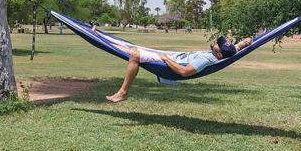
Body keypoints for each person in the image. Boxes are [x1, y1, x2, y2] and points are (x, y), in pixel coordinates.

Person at [105, 35, 253, 103]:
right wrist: (244, 43)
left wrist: (166, 59)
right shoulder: (222, 54)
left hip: (170, 64)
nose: (215, 42)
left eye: (217, 44)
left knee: (134, 55)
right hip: (172, 57)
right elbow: (234, 49)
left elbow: (184, 72)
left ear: (219, 53)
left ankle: (122, 93)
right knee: (129, 48)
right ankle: (101, 37)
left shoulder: (205, 59)